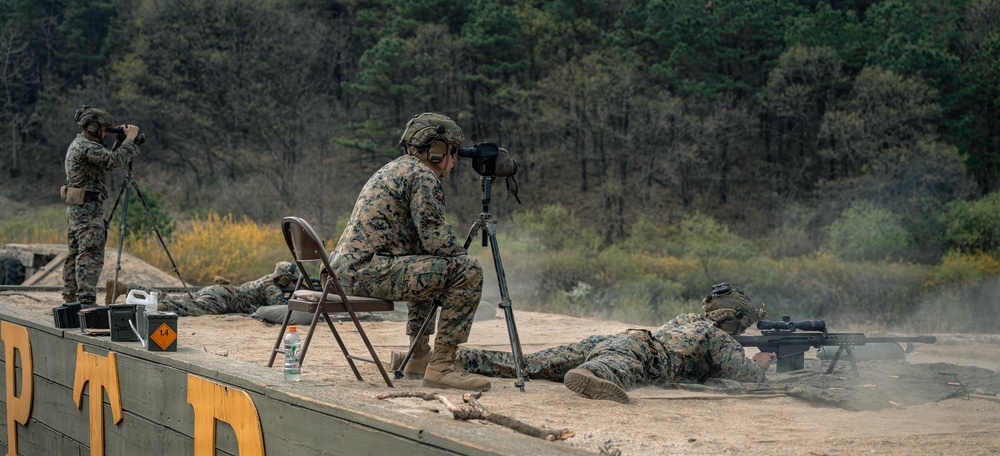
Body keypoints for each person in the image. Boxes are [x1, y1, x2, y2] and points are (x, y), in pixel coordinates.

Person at [331, 112, 491, 392]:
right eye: (452, 153)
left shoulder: (396, 168)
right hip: (367, 271)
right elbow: (436, 239)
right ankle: (441, 366)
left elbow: (425, 247)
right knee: (468, 272)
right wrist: (460, 256)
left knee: (429, 266)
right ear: (436, 152)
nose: (454, 161)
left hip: (348, 271)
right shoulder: (423, 176)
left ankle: (418, 357)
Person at [453, 283, 776, 403]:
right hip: (640, 354)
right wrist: (758, 365)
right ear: (733, 321)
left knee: (528, 363)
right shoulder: (719, 338)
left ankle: (450, 358)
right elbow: (744, 375)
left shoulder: (686, 320)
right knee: (608, 368)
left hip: (617, 340)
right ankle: (594, 375)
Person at [61, 105, 141, 306]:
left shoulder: (80, 145)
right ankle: (86, 301)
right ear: (92, 128)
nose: (106, 133)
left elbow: (105, 161)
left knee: (75, 254)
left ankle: (70, 299)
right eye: (104, 129)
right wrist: (130, 139)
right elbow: (112, 162)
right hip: (87, 212)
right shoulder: (86, 147)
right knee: (91, 254)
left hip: (79, 210)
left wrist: (118, 144)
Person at [105, 262, 296, 316]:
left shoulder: (266, 280)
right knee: (194, 308)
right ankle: (164, 308)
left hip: (218, 291)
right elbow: (281, 308)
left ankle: (126, 288)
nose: (292, 285)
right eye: (292, 281)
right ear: (285, 278)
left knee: (175, 296)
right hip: (222, 298)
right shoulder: (271, 287)